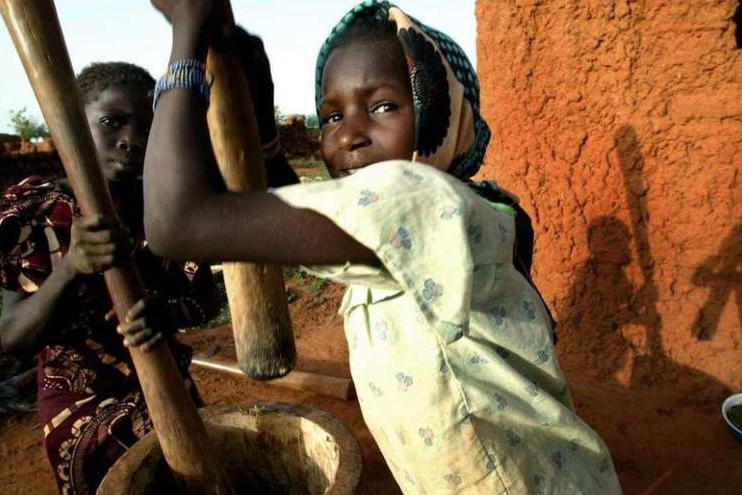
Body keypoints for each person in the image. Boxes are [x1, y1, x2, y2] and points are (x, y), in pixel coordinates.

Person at [142, 1, 622, 492]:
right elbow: (297, 213)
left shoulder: (411, 198)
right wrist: (261, 121)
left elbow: (176, 222)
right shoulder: (430, 210)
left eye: (383, 107)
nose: (348, 135)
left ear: (440, 109)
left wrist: (187, 36)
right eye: (331, 116)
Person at [0, 47, 295, 493]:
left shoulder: (168, 209)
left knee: (198, 482)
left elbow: (204, 300)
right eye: (111, 123)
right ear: (70, 124)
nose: (131, 139)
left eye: (147, 127)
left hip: (169, 387)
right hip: (82, 411)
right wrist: (70, 269)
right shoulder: (36, 214)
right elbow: (15, 338)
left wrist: (167, 313)